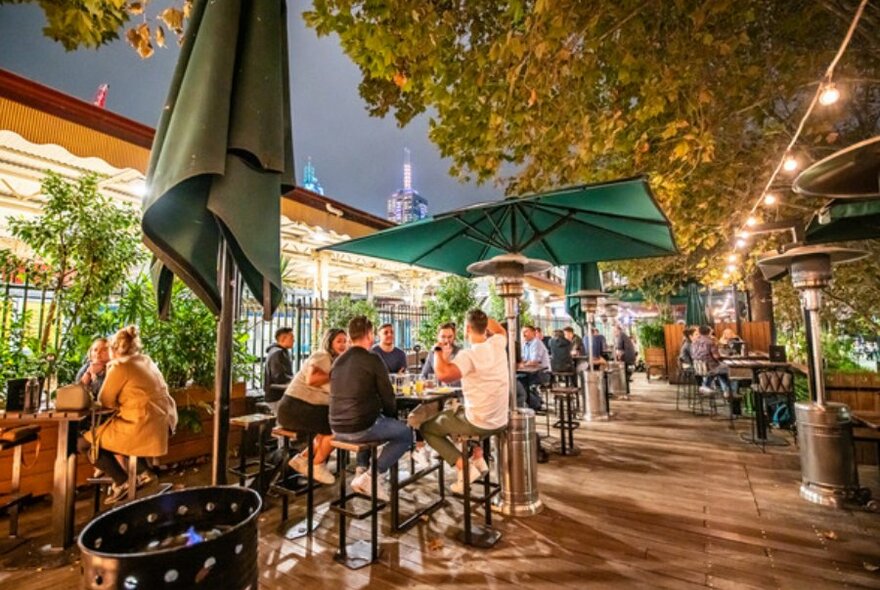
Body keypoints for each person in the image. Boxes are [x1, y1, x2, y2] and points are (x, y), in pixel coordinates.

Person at [79, 326, 177, 504]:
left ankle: (122, 481)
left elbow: (105, 401)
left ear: (112, 349)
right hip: (164, 422)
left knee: (85, 443)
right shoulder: (146, 360)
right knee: (110, 435)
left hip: (141, 425)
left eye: (104, 349)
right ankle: (143, 472)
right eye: (95, 350)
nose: (100, 353)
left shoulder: (120, 366)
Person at [421, 310, 509, 493]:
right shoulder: (497, 343)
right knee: (459, 410)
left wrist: (437, 350)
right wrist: (483, 319)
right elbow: (501, 330)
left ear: (467, 328)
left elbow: (444, 375)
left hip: (479, 423)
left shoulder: (468, 355)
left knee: (427, 428)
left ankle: (465, 468)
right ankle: (478, 456)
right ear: (484, 327)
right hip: (500, 420)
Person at [330, 316, 412, 501]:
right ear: (369, 335)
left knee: (371, 418)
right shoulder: (372, 359)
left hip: (336, 428)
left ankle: (362, 469)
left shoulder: (338, 361)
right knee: (406, 434)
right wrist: (392, 418)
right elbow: (388, 396)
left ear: (351, 336)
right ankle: (372, 476)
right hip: (361, 428)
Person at [277, 328, 349, 485]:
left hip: (301, 408)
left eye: (345, 341)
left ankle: (303, 459)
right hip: (295, 408)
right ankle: (317, 464)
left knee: (332, 424)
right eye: (339, 341)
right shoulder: (322, 355)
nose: (343, 344)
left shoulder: (335, 361)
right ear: (329, 343)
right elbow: (312, 378)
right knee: (340, 426)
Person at [691, 325, 736, 398]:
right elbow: (716, 356)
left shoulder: (694, 342)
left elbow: (693, 354)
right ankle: (731, 392)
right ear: (709, 332)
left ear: (699, 332)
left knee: (721, 371)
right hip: (710, 367)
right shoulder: (710, 342)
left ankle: (725, 390)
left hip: (699, 367)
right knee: (732, 370)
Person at [263, 327, 294, 414]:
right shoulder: (277, 353)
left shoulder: (281, 351)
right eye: (291, 338)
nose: (294, 340)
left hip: (278, 395)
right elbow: (278, 377)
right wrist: (295, 379)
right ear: (283, 338)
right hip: (276, 397)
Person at [420, 322, 461, 386]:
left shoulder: (460, 353)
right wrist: (426, 382)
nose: (446, 340)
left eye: (450, 337)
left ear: (454, 336)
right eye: (443, 337)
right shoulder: (433, 353)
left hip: (456, 394)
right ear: (438, 337)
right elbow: (423, 376)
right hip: (437, 393)